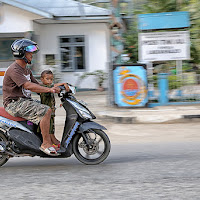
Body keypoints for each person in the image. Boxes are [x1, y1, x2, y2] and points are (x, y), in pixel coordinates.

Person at [3, 38, 60, 156]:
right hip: (14, 104)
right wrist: (49, 89)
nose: (32, 55)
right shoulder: (14, 69)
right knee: (45, 110)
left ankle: (50, 138)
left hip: (24, 101)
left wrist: (58, 87)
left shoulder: (26, 70)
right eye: (29, 52)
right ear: (22, 53)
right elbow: (28, 86)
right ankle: (45, 144)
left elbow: (37, 86)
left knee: (50, 108)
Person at [39, 69, 69, 149]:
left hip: (51, 112)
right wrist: (63, 84)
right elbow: (54, 87)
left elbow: (54, 86)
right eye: (47, 79)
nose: (49, 81)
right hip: (46, 112)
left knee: (52, 127)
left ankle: (53, 141)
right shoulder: (43, 88)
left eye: (51, 79)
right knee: (49, 128)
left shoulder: (49, 88)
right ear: (42, 79)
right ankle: (52, 142)